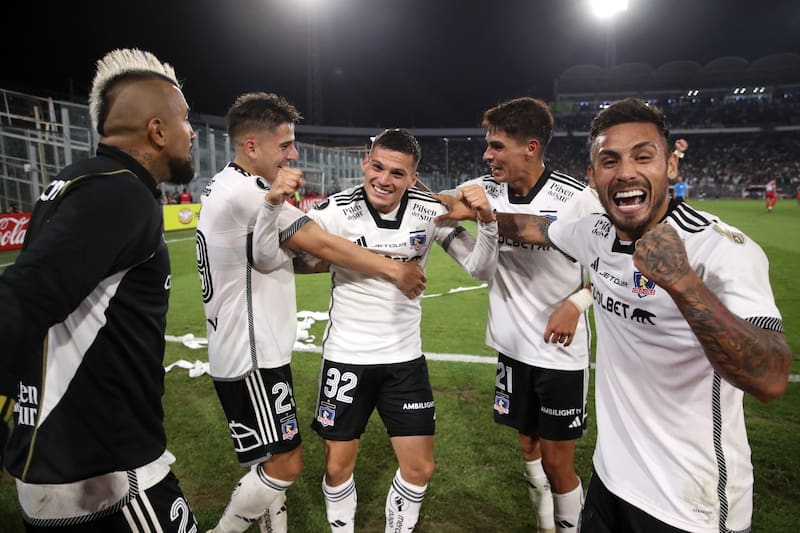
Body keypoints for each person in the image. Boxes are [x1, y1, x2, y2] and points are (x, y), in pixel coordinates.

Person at [436, 97, 791, 533]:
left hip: (688, 506)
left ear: (671, 168)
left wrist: (683, 283)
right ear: (594, 176)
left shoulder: (719, 250)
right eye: (610, 160)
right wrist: (478, 214)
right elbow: (534, 227)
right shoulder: (596, 232)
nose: (625, 171)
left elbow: (771, 377)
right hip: (610, 482)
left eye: (643, 156)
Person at [196, 94, 427, 533]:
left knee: (272, 461)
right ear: (252, 147)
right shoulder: (251, 193)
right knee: (286, 464)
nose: (293, 153)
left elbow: (288, 259)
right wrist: (392, 268)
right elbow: (320, 245)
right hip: (251, 351)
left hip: (244, 346)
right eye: (285, 145)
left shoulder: (225, 184)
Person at [0, 48, 200, 531]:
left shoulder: (74, 181)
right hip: (105, 473)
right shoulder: (120, 194)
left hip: (59, 463)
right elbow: (22, 299)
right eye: (185, 119)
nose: (192, 133)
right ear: (157, 130)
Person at [303, 128, 498, 533]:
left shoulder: (431, 211)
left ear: (413, 178)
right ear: (365, 163)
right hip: (347, 357)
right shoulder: (333, 210)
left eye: (397, 172)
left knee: (420, 467)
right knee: (338, 467)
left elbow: (480, 268)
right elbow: (291, 253)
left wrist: (489, 222)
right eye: (377, 166)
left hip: (404, 360)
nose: (383, 179)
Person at [450, 97, 600, 533]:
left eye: (497, 146)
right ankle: (544, 519)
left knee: (558, 462)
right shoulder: (482, 189)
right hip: (513, 348)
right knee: (527, 442)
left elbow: (614, 268)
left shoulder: (576, 200)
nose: (487, 155)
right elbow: (442, 209)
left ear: (530, 147)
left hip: (560, 353)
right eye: (488, 145)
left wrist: (576, 304)